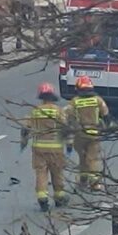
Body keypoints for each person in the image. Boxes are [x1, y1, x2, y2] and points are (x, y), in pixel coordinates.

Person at [21, 83, 71, 212]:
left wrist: (24, 142)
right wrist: (69, 144)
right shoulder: (58, 111)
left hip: (39, 149)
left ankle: (42, 197)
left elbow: (25, 128)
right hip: (56, 148)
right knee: (57, 172)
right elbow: (66, 128)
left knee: (41, 172)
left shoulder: (35, 110)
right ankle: (59, 197)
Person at [66, 75, 109, 191]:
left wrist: (69, 137)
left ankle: (83, 179)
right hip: (94, 133)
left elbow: (69, 118)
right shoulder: (98, 100)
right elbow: (106, 115)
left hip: (80, 134)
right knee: (92, 158)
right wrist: (107, 129)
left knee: (82, 157)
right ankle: (95, 183)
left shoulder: (74, 101)